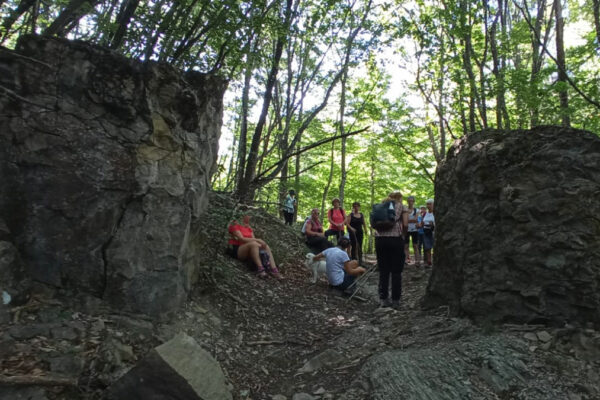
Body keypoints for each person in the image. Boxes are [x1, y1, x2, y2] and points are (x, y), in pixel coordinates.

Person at [374, 191, 408, 309]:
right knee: (396, 271)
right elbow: (405, 223)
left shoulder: (381, 205)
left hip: (380, 240)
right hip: (395, 240)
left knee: (383, 271)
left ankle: (383, 299)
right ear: (399, 198)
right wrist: (403, 236)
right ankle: (395, 300)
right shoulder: (401, 206)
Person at [404, 196, 419, 265]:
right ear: (407, 201)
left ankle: (417, 260)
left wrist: (407, 220)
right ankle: (407, 259)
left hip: (414, 230)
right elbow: (405, 221)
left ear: (414, 202)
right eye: (409, 201)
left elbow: (416, 219)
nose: (410, 202)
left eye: (412, 201)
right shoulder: (405, 210)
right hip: (406, 230)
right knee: (406, 245)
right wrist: (409, 220)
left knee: (415, 245)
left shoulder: (416, 210)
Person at [423, 199, 435, 267]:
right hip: (426, 231)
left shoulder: (435, 213)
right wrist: (420, 225)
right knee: (427, 247)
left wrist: (432, 224)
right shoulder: (425, 213)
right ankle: (429, 262)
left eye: (430, 204)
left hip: (433, 232)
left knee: (434, 246)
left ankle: (435, 261)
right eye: (427, 204)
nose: (428, 206)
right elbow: (422, 222)